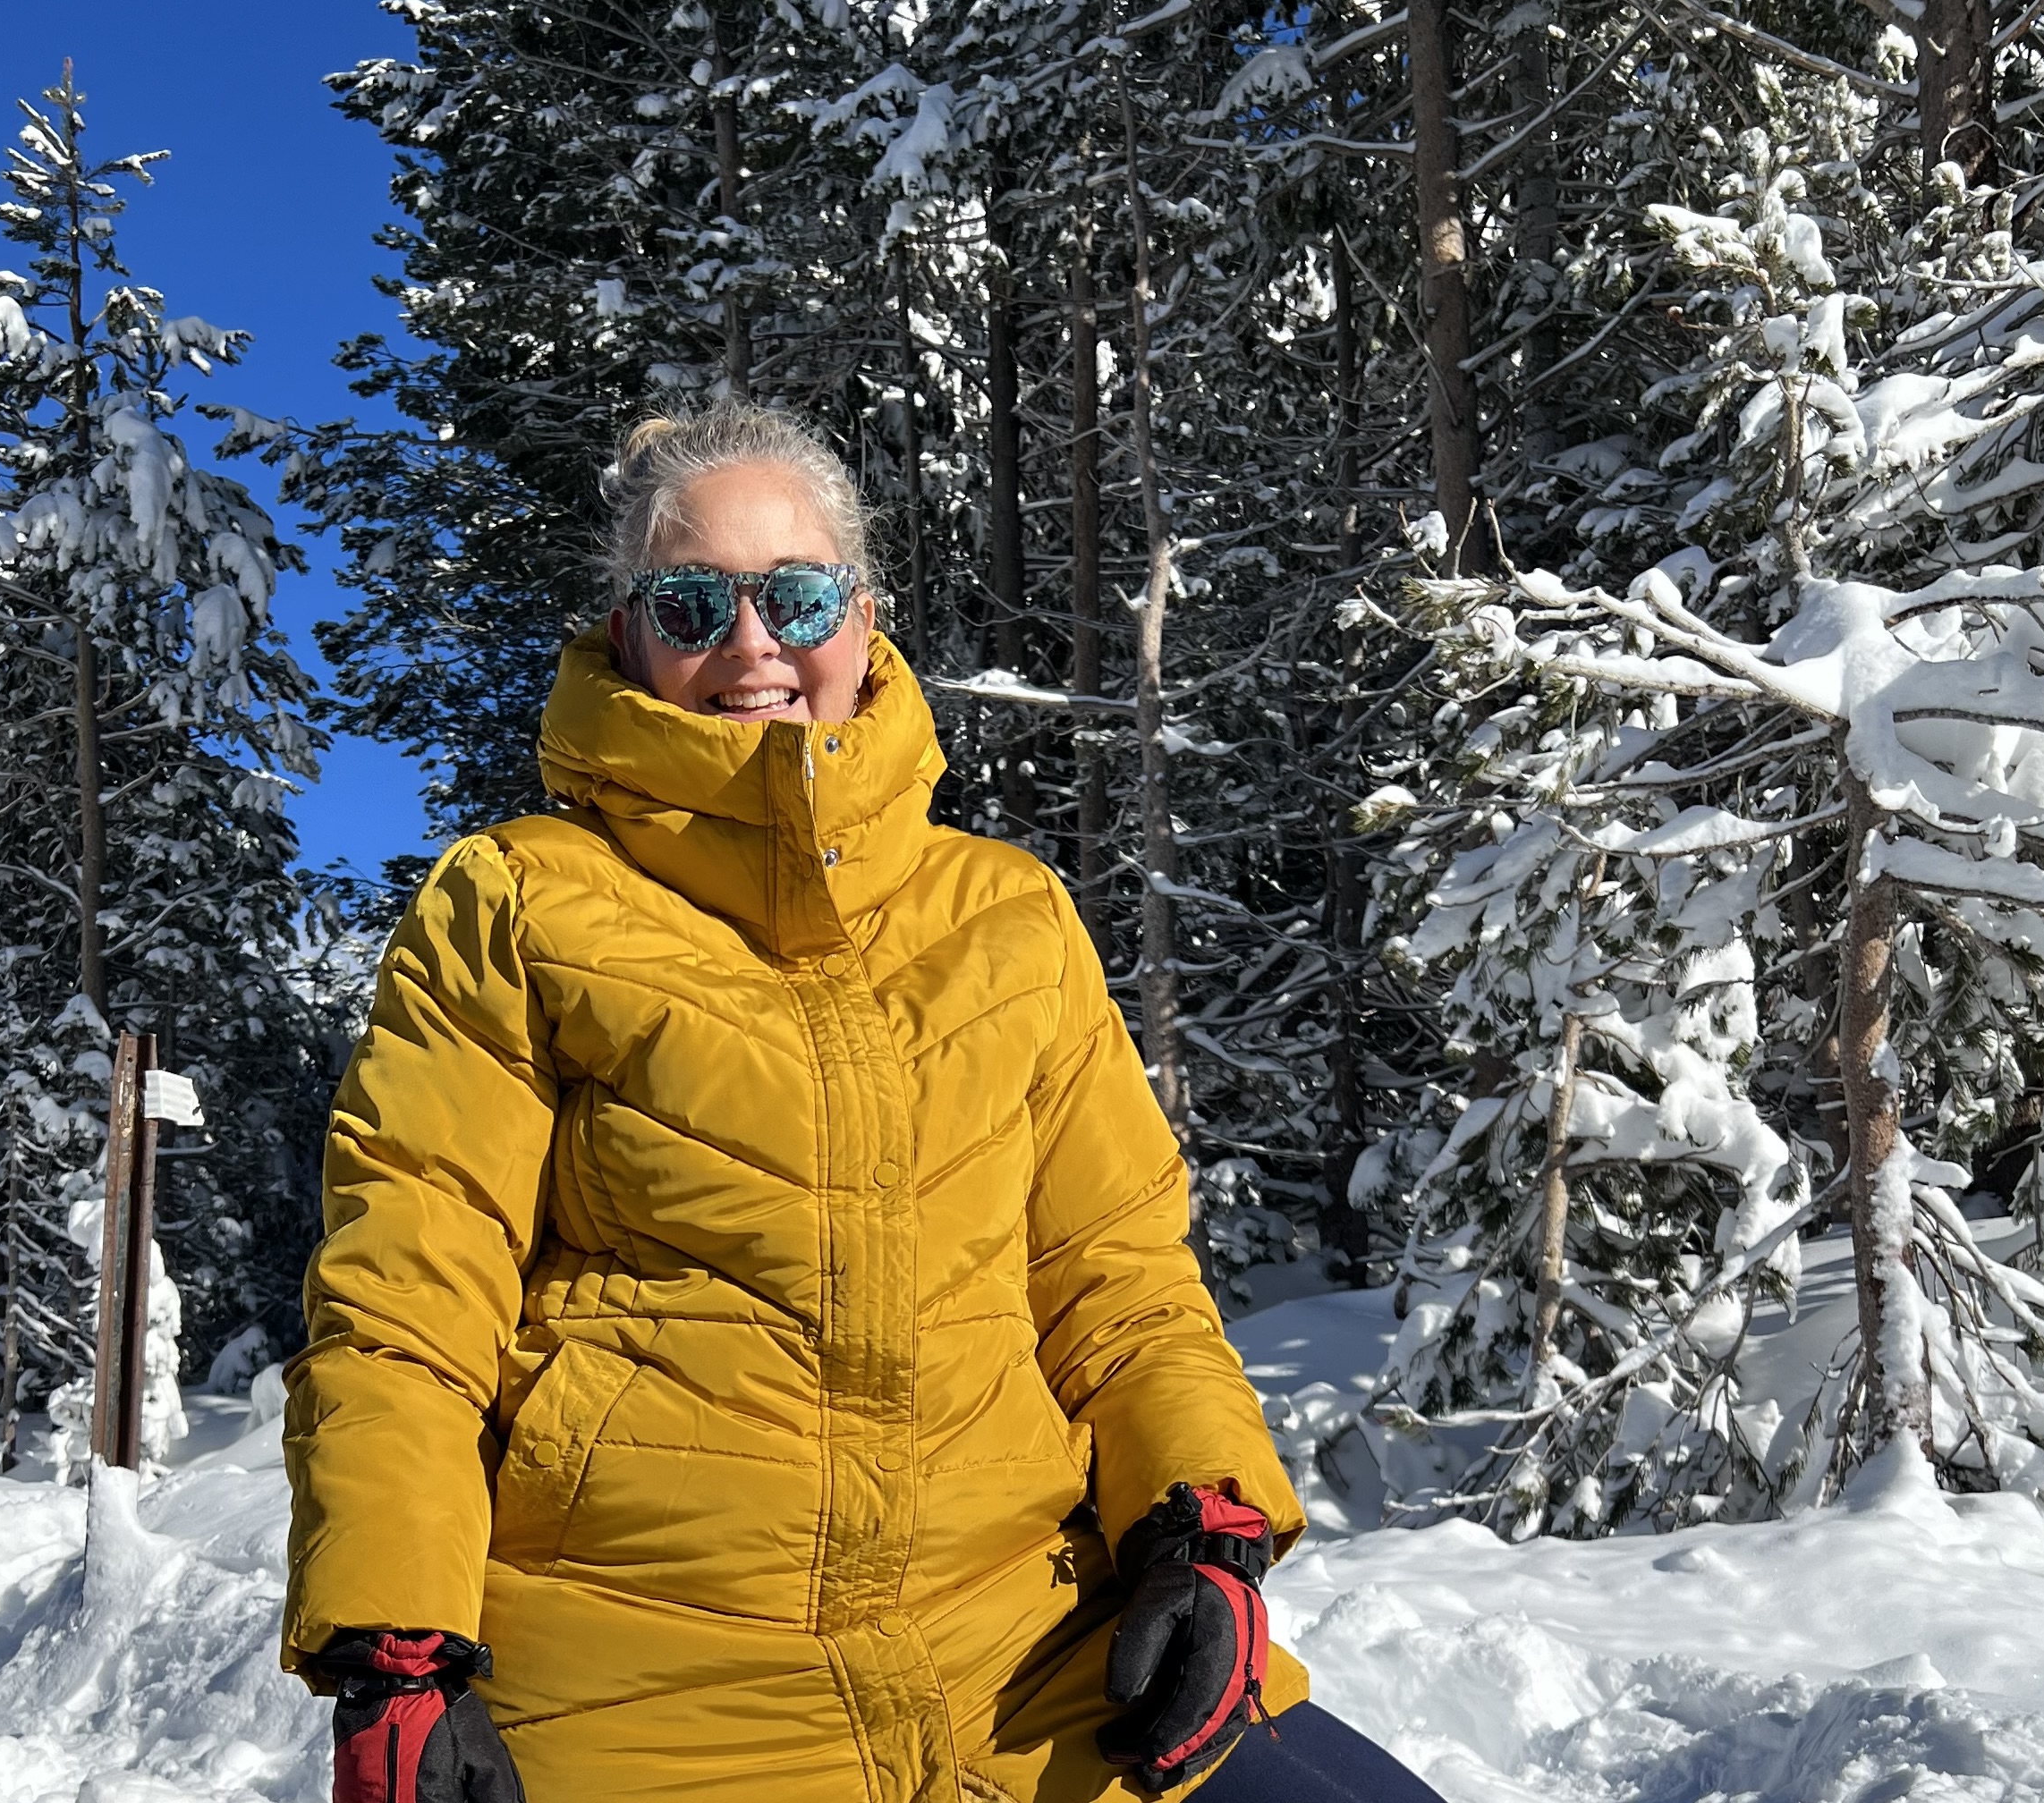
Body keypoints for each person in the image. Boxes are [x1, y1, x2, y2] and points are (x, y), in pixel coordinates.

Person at [279, 402, 1441, 1803]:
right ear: (630, 633)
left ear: (865, 615)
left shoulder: (1007, 916)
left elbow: (1120, 1285)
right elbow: (409, 1310)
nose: (752, 643)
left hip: (1033, 1650)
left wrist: (1201, 1528)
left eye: (798, 595)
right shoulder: (516, 902)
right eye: (694, 601)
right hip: (647, 1685)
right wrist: (395, 1651)